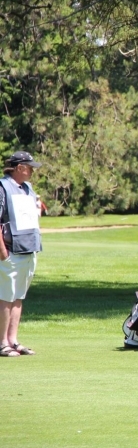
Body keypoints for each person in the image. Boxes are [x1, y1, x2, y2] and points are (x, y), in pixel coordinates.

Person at [0, 151, 43, 357]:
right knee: (5, 297)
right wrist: (3, 252)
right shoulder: (2, 188)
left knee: (18, 297)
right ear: (19, 168)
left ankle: (13, 340)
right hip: (10, 251)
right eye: (30, 167)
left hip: (28, 250)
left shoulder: (28, 188)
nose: (33, 171)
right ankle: (2, 343)